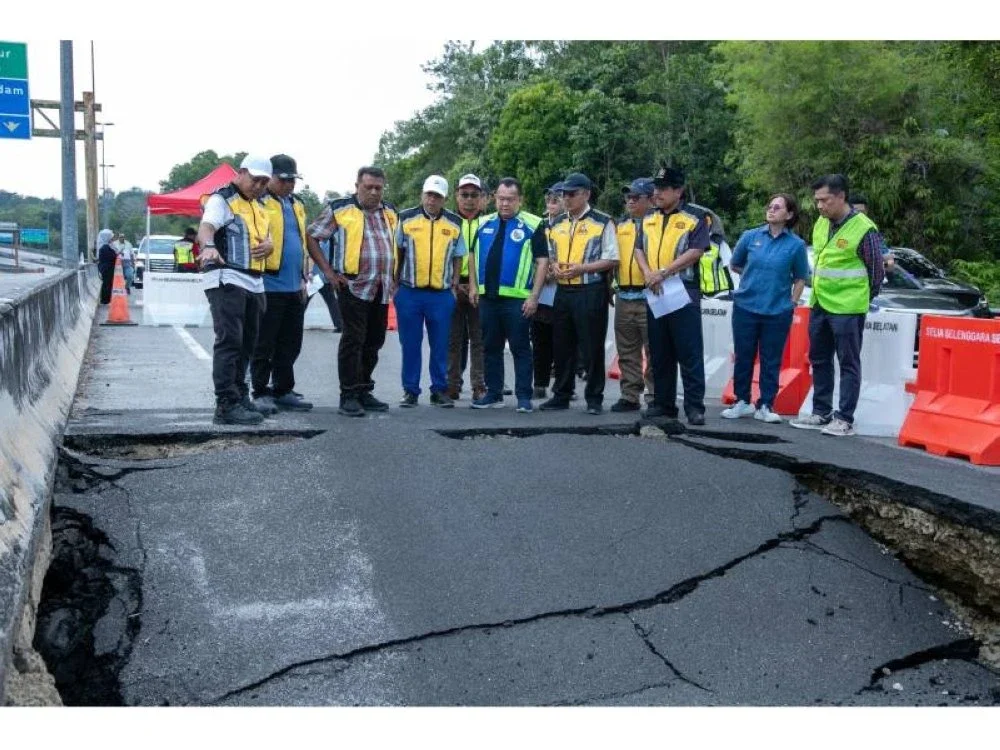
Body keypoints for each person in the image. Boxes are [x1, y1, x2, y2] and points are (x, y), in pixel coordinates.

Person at [791, 174, 886, 437]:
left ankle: (844, 418)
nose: (820, 206)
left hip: (848, 307)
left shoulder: (864, 228)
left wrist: (864, 299)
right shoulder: (821, 224)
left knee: (848, 362)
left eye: (825, 200)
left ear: (842, 196)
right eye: (817, 201)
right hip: (820, 303)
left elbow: (876, 271)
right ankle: (821, 412)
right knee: (819, 358)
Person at [306, 166, 399, 418]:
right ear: (357, 185)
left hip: (381, 287)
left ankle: (363, 390)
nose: (373, 192)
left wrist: (396, 277)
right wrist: (327, 272)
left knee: (374, 342)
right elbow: (313, 236)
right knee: (353, 341)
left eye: (378, 188)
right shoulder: (339, 209)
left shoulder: (390, 212)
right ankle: (348, 395)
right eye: (368, 186)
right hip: (352, 286)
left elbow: (396, 245)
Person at [197, 154, 274, 426]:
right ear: (241, 173)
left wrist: (269, 247)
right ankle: (226, 404)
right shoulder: (222, 199)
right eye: (255, 180)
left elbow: (266, 239)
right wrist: (208, 245)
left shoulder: (261, 205)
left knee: (248, 343)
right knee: (230, 340)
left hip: (254, 279)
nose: (259, 186)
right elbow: (206, 227)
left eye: (265, 182)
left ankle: (240, 395)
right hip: (226, 276)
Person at [721, 193, 810, 424]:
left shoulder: (796, 245)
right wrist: (754, 278)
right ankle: (742, 401)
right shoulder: (750, 237)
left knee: (771, 359)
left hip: (777, 310)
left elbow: (801, 277)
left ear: (789, 215)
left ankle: (766, 404)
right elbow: (736, 264)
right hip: (746, 306)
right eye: (770, 206)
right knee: (744, 355)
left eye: (777, 207)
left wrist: (791, 302)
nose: (771, 210)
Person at [634, 165, 710, 425]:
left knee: (688, 351)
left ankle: (694, 407)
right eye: (656, 188)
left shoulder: (696, 216)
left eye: (664, 188)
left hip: (682, 290)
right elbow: (639, 249)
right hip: (655, 289)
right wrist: (647, 273)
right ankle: (664, 404)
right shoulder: (648, 217)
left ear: (679, 191)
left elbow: (696, 250)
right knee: (659, 351)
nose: (658, 193)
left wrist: (664, 272)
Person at [540, 172, 619, 415]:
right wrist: (553, 267)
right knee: (562, 344)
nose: (566, 198)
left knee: (591, 345)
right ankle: (561, 394)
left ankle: (594, 398)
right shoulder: (556, 223)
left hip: (590, 289)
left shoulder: (602, 221)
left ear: (586, 194)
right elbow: (550, 253)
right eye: (563, 194)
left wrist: (582, 268)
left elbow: (611, 258)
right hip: (563, 290)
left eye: (572, 194)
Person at [470, 177, 548, 412]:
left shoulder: (533, 224)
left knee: (520, 347)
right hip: (488, 297)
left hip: (517, 299)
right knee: (490, 347)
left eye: (510, 199)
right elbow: (472, 255)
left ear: (520, 200)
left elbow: (543, 261)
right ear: (494, 198)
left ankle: (524, 396)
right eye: (501, 199)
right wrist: (474, 286)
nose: (505, 204)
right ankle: (494, 394)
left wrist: (534, 296)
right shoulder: (483, 223)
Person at [395, 175, 466, 407]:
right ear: (422, 194)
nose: (432, 200)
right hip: (410, 291)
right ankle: (410, 390)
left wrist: (455, 284)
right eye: (429, 194)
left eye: (437, 196)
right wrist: (395, 284)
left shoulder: (455, 222)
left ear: (444, 199)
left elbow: (458, 256)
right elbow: (398, 251)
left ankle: (439, 389)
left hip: (441, 293)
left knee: (441, 344)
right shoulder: (405, 218)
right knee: (410, 344)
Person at [250, 154, 314, 414]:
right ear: (270, 177)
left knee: (290, 342)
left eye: (292, 180)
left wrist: (302, 276)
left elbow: (300, 240)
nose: (289, 185)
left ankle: (283, 389)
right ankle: (260, 390)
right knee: (264, 342)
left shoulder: (297, 204)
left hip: (293, 285)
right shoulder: (259, 202)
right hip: (268, 284)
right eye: (283, 179)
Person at [610, 177, 656, 412]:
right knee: (626, 350)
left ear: (651, 199)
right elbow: (612, 258)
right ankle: (629, 395)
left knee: (654, 350)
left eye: (636, 197)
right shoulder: (621, 225)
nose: (630, 201)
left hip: (650, 295)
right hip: (624, 295)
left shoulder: (657, 224)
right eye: (628, 196)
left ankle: (655, 396)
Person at [446, 174, 487, 401]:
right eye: (464, 195)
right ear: (456, 196)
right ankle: (452, 384)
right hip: (452, 286)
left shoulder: (489, 221)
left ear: (481, 197)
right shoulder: (449, 221)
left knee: (479, 340)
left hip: (479, 289)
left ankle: (479, 385)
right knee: (452, 340)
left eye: (474, 195)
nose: (469, 200)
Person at [531, 182, 563, 400]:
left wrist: (555, 270)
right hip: (541, 291)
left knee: (562, 341)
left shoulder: (570, 225)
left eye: (556, 198)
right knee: (540, 341)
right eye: (549, 198)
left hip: (564, 289)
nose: (551, 202)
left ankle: (562, 387)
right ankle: (540, 383)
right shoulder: (539, 225)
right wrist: (542, 273)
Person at [849, 192, 894, 270]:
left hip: (863, 281)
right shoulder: (836, 230)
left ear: (866, 212)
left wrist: (876, 267)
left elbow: (890, 263)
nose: (859, 216)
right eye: (854, 212)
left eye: (862, 212)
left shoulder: (871, 233)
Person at [96, 228, 117, 305]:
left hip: (107, 268)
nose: (112, 239)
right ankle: (105, 300)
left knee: (108, 283)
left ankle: (106, 299)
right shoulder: (105, 247)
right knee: (106, 284)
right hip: (106, 268)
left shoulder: (106, 247)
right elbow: (113, 256)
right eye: (110, 238)